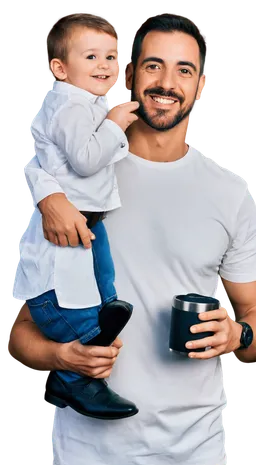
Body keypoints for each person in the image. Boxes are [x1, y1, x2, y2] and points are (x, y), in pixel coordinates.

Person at [8, 11, 256, 465]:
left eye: (184, 70)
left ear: (202, 87)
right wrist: (61, 356)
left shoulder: (230, 194)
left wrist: (236, 333)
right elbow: (23, 330)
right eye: (153, 66)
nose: (167, 83)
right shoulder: (70, 187)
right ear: (127, 75)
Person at [10, 11, 140, 420]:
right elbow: (84, 160)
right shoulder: (71, 103)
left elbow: (44, 159)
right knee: (81, 304)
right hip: (72, 224)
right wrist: (117, 124)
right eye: (91, 57)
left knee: (105, 287)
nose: (104, 66)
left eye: (111, 57)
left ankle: (103, 319)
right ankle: (77, 379)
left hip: (91, 219)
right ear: (59, 68)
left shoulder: (85, 102)